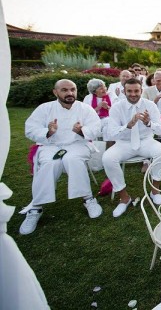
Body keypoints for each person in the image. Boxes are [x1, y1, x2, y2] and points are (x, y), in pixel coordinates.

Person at [20, 79, 103, 235]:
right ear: (55, 92)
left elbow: (96, 128)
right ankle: (36, 208)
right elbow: (30, 129)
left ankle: (88, 198)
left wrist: (81, 130)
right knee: (50, 164)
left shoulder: (85, 109)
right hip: (51, 146)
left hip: (77, 144)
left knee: (72, 160)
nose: (70, 93)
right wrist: (48, 132)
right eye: (64, 90)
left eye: (73, 89)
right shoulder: (45, 108)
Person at [102, 78, 161, 218]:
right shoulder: (117, 107)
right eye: (129, 91)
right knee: (107, 158)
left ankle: (155, 191)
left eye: (136, 90)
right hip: (123, 143)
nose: (133, 94)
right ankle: (124, 198)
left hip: (145, 141)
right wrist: (128, 126)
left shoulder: (150, 105)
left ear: (141, 91)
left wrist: (149, 123)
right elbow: (111, 132)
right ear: (124, 91)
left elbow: (160, 130)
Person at [83, 78, 116, 146]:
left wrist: (107, 107)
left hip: (108, 119)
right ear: (94, 91)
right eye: (101, 88)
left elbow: (117, 113)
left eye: (104, 87)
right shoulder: (88, 98)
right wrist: (98, 107)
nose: (104, 89)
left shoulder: (111, 95)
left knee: (108, 125)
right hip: (93, 121)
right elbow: (86, 115)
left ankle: (109, 147)